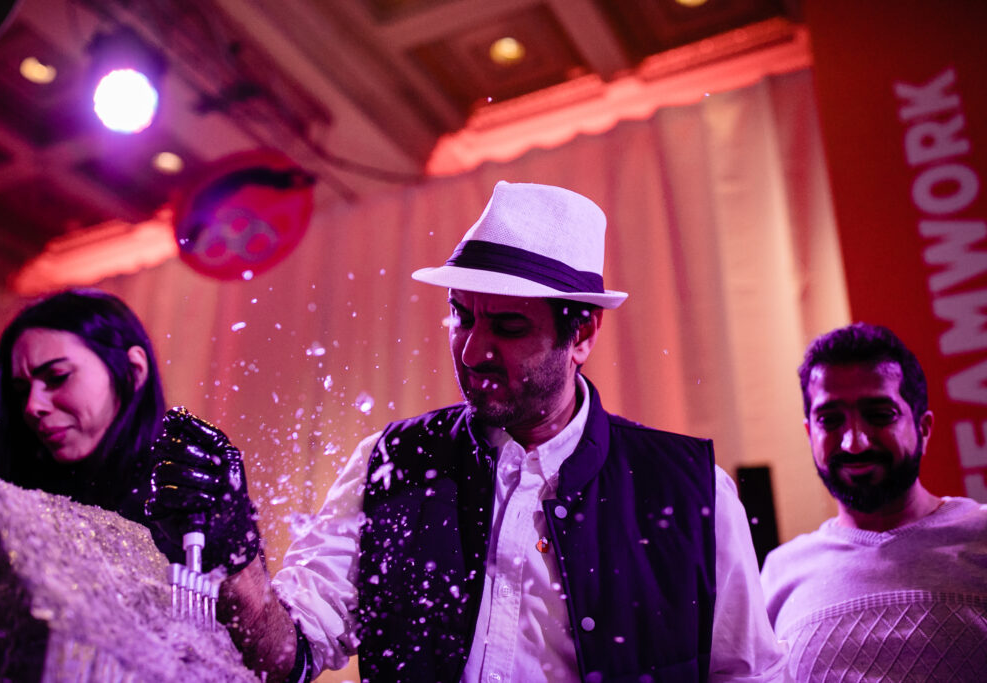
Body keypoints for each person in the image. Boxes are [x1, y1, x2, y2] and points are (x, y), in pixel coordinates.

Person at [147, 181, 789, 682]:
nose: (474, 349)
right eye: (461, 317)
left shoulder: (689, 489)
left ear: (584, 334)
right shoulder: (390, 462)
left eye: (509, 327)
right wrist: (236, 559)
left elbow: (746, 675)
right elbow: (286, 655)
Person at [760, 322, 987, 681]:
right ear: (809, 433)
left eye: (880, 415)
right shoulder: (777, 574)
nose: (854, 443)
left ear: (924, 428)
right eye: (830, 420)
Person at [0, 288, 167, 530]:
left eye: (57, 377)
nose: (32, 406)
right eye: (22, 390)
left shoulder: (188, 502)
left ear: (133, 371)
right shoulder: (14, 501)